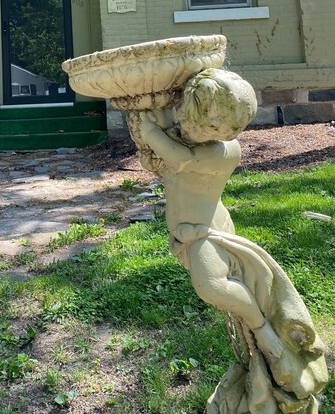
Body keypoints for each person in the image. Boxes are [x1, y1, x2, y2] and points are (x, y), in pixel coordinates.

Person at [128, 68, 327, 405]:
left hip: (208, 233)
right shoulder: (189, 137)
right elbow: (164, 164)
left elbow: (177, 158)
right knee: (225, 304)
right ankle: (257, 359)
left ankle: (264, 331)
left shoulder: (225, 151)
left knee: (214, 287)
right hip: (189, 235)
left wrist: (148, 129)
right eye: (196, 123)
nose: (199, 131)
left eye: (221, 128)